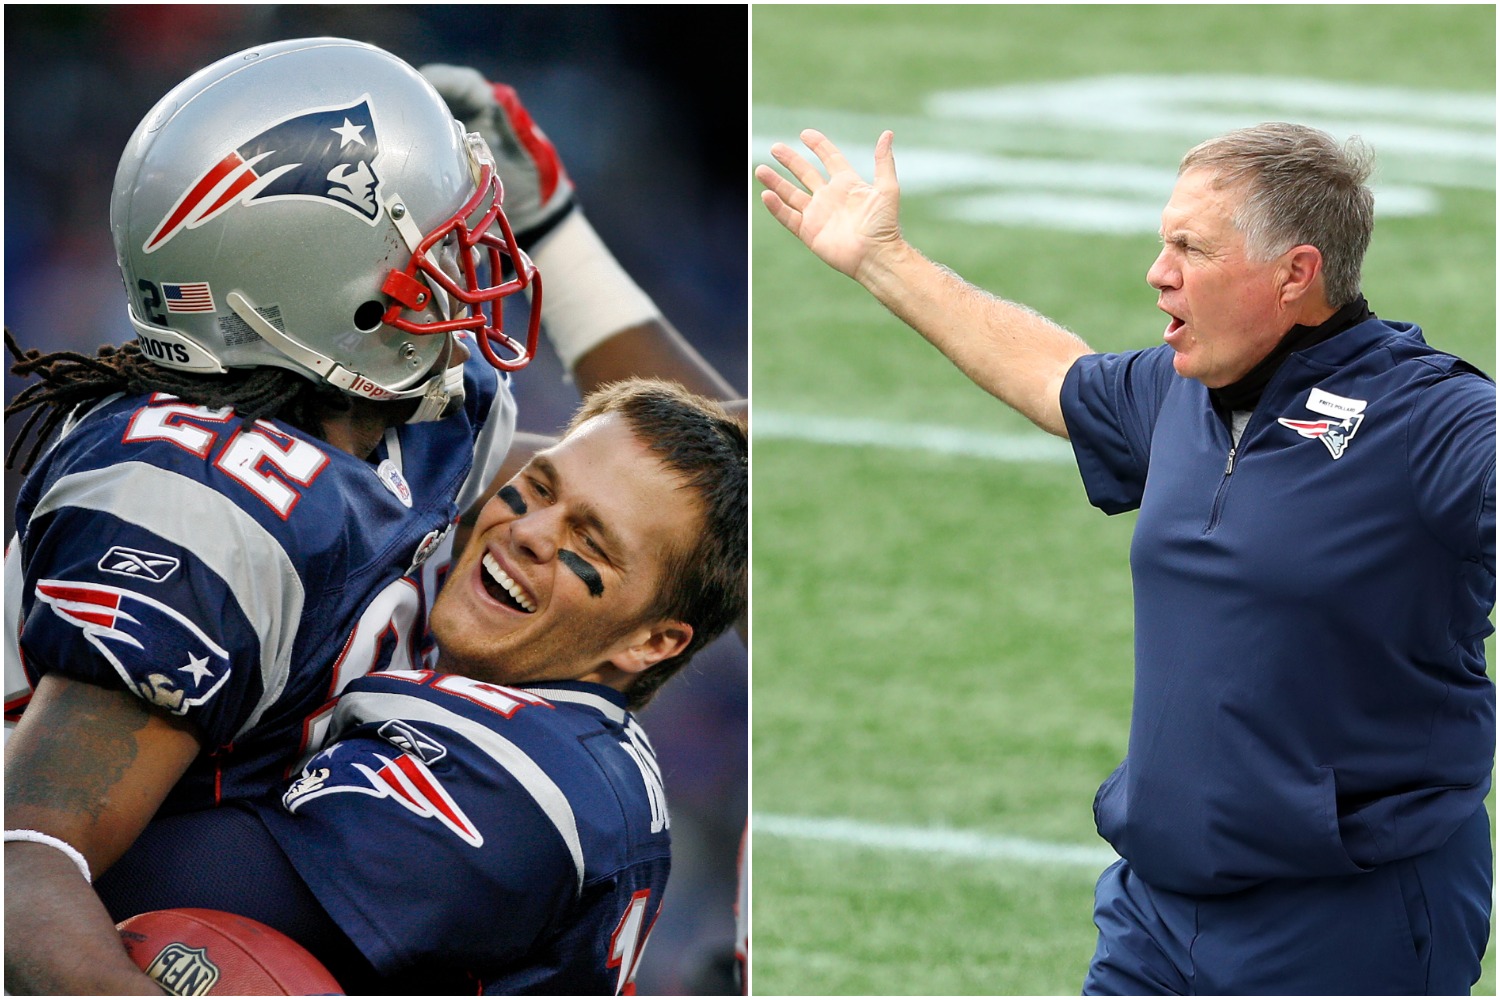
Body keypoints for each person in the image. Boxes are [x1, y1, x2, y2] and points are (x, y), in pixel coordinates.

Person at [4, 36, 739, 995]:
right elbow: (23, 867)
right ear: (330, 294)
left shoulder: (409, 427)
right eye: (441, 241)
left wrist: (558, 228)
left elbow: (716, 475)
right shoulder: (201, 510)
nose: (474, 258)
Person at [757, 123, 1494, 994]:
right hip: (1154, 912)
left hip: (1347, 917)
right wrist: (883, 259)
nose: (1158, 271)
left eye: (1190, 247)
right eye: (1162, 241)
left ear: (1296, 274)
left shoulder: (1435, 419)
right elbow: (1052, 373)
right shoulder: (1179, 391)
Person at [90, 378, 749, 995]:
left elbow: (140, 885)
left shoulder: (519, 785)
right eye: (541, 488)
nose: (527, 531)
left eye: (591, 543)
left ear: (653, 642)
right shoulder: (550, 721)